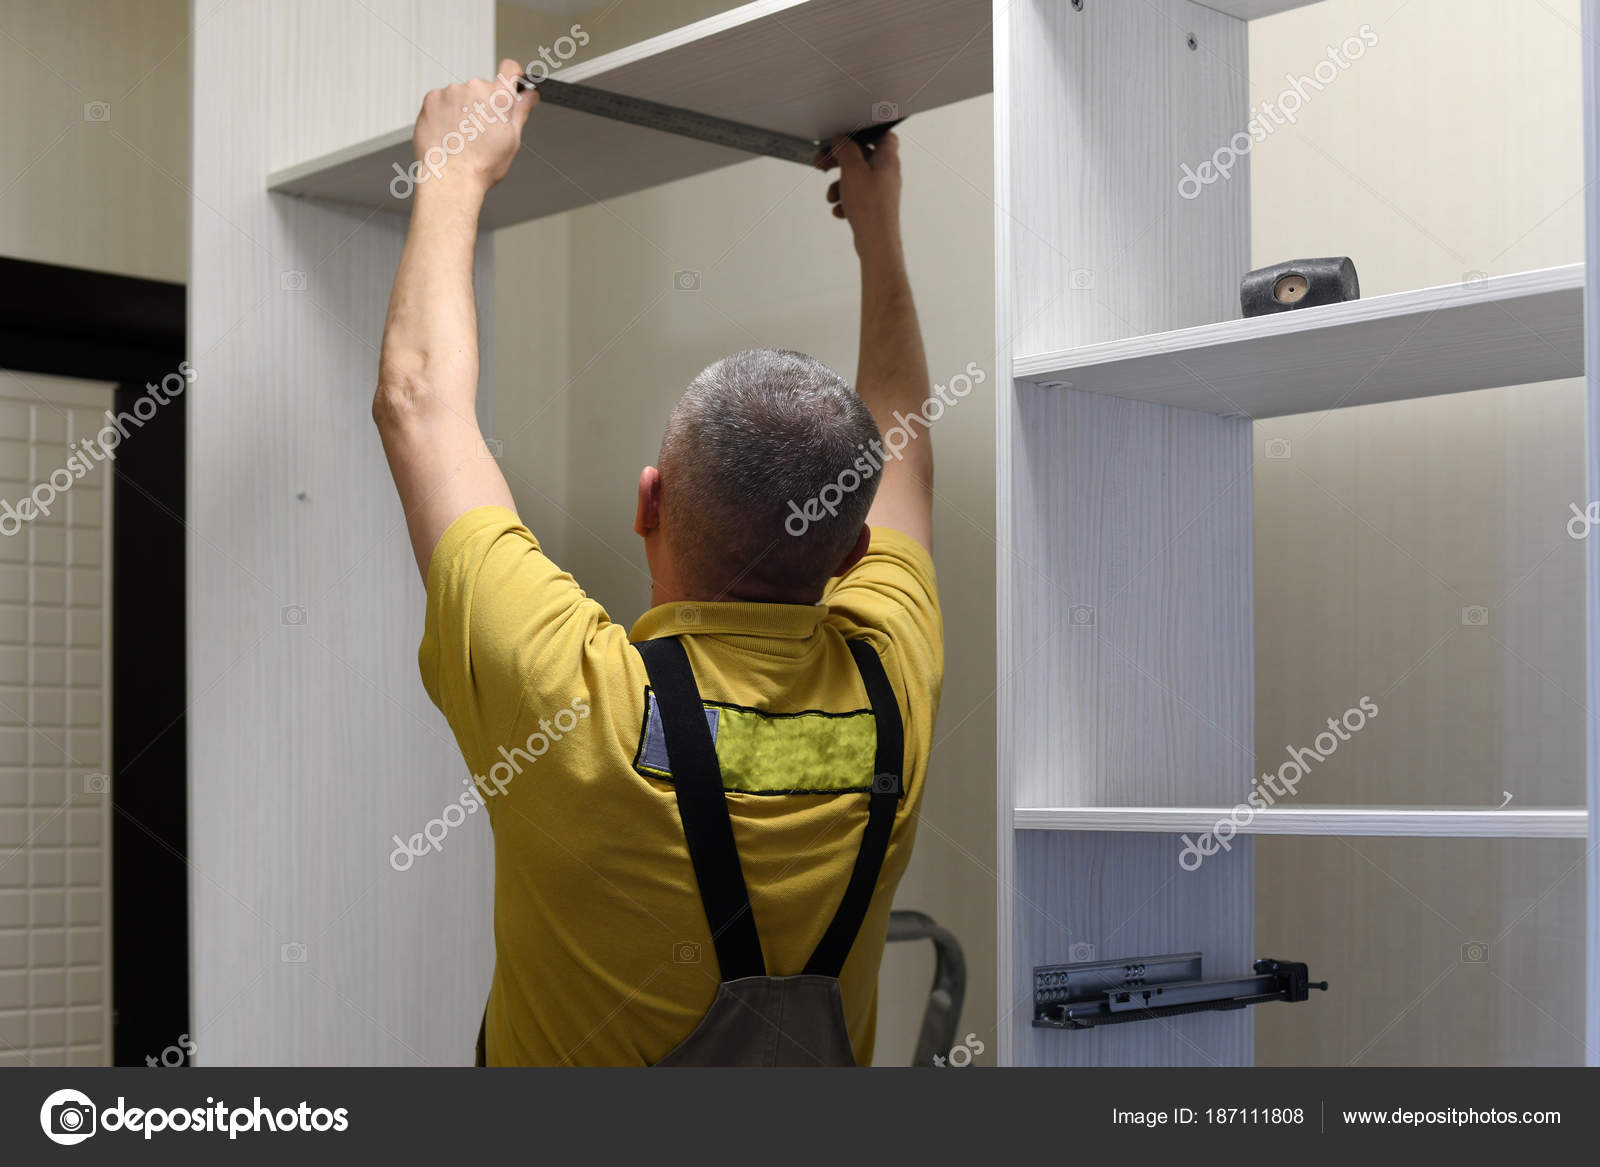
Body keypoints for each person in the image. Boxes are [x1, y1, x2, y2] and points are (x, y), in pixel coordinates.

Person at [373, 61, 944, 1066]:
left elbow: (419, 399)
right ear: (853, 553)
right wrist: (881, 232)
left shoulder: (574, 699)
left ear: (649, 503)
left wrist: (456, 166)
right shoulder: (891, 673)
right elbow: (903, 443)